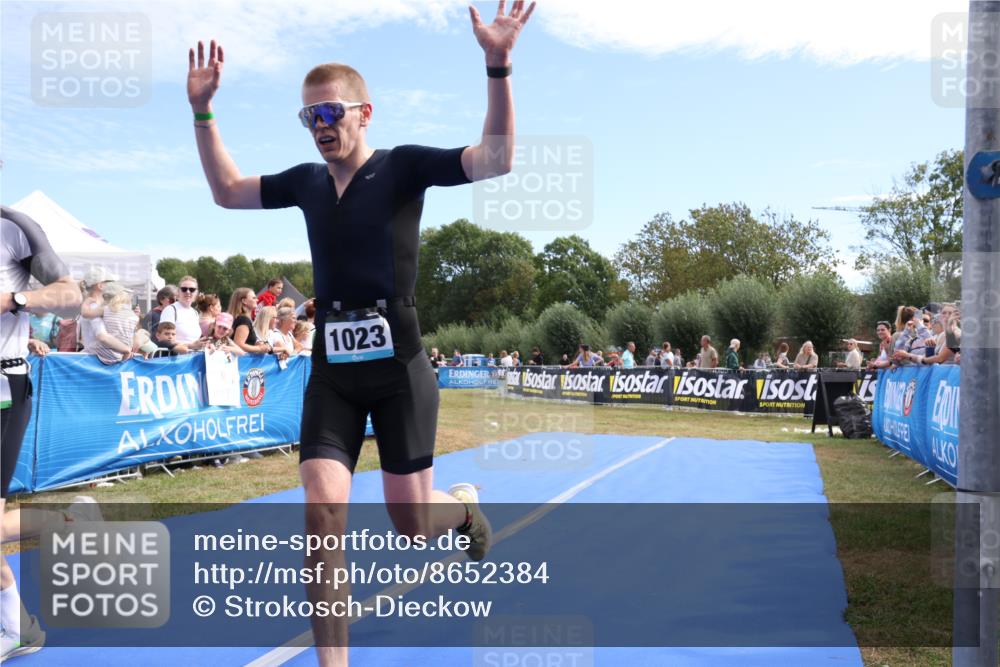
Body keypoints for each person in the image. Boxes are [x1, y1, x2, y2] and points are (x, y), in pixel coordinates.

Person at [188, 4, 534, 662]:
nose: (319, 128)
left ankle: (459, 509)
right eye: (307, 117)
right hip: (334, 377)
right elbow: (227, 190)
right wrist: (204, 113)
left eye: (329, 114)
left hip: (401, 372)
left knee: (410, 524)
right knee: (321, 516)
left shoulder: (402, 168)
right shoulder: (307, 184)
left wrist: (497, 63)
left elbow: (495, 158)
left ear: (363, 113)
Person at [1, 205, 86, 658]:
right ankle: (16, 628)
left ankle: (17, 628)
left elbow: (71, 297)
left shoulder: (14, 228)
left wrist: (14, 300)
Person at [91, 283, 140, 365]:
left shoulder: (104, 310)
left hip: (101, 356)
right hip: (120, 357)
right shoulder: (133, 316)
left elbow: (102, 337)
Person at [159, 275, 202, 344]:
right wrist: (191, 346)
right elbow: (164, 339)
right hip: (176, 354)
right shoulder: (171, 310)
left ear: (196, 293)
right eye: (184, 289)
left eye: (192, 289)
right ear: (178, 292)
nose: (188, 292)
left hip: (195, 354)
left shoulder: (195, 313)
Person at [228, 287, 271, 355]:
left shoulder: (242, 319)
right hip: (242, 362)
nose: (257, 300)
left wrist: (256, 344)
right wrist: (259, 348)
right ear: (244, 301)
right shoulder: (243, 320)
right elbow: (239, 345)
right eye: (253, 298)